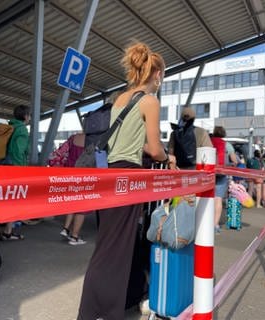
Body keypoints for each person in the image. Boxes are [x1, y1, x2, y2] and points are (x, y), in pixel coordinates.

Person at [77, 42, 175, 320]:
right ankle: (107, 312)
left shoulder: (122, 98)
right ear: (157, 74)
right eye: (162, 76)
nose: (161, 81)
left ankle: (90, 311)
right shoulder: (149, 100)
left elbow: (130, 142)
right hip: (128, 177)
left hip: (109, 172)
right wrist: (169, 157)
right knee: (119, 250)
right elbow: (154, 149)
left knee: (106, 246)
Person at [0, 105, 30, 240]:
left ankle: (7, 231)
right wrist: (22, 172)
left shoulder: (10, 126)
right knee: (14, 201)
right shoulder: (22, 130)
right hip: (14, 169)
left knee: (7, 200)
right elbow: (18, 151)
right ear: (25, 116)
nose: (30, 118)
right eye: (29, 115)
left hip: (3, 167)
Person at [49, 132, 88, 245]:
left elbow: (60, 152)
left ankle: (65, 229)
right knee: (83, 206)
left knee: (72, 202)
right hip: (85, 175)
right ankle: (75, 236)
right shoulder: (93, 140)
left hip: (70, 173)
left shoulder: (73, 137)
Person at [211, 126, 237, 234]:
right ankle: (215, 225)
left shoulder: (208, 141)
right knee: (218, 199)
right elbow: (235, 161)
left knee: (208, 199)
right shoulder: (227, 145)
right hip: (221, 173)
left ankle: (205, 223)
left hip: (209, 173)